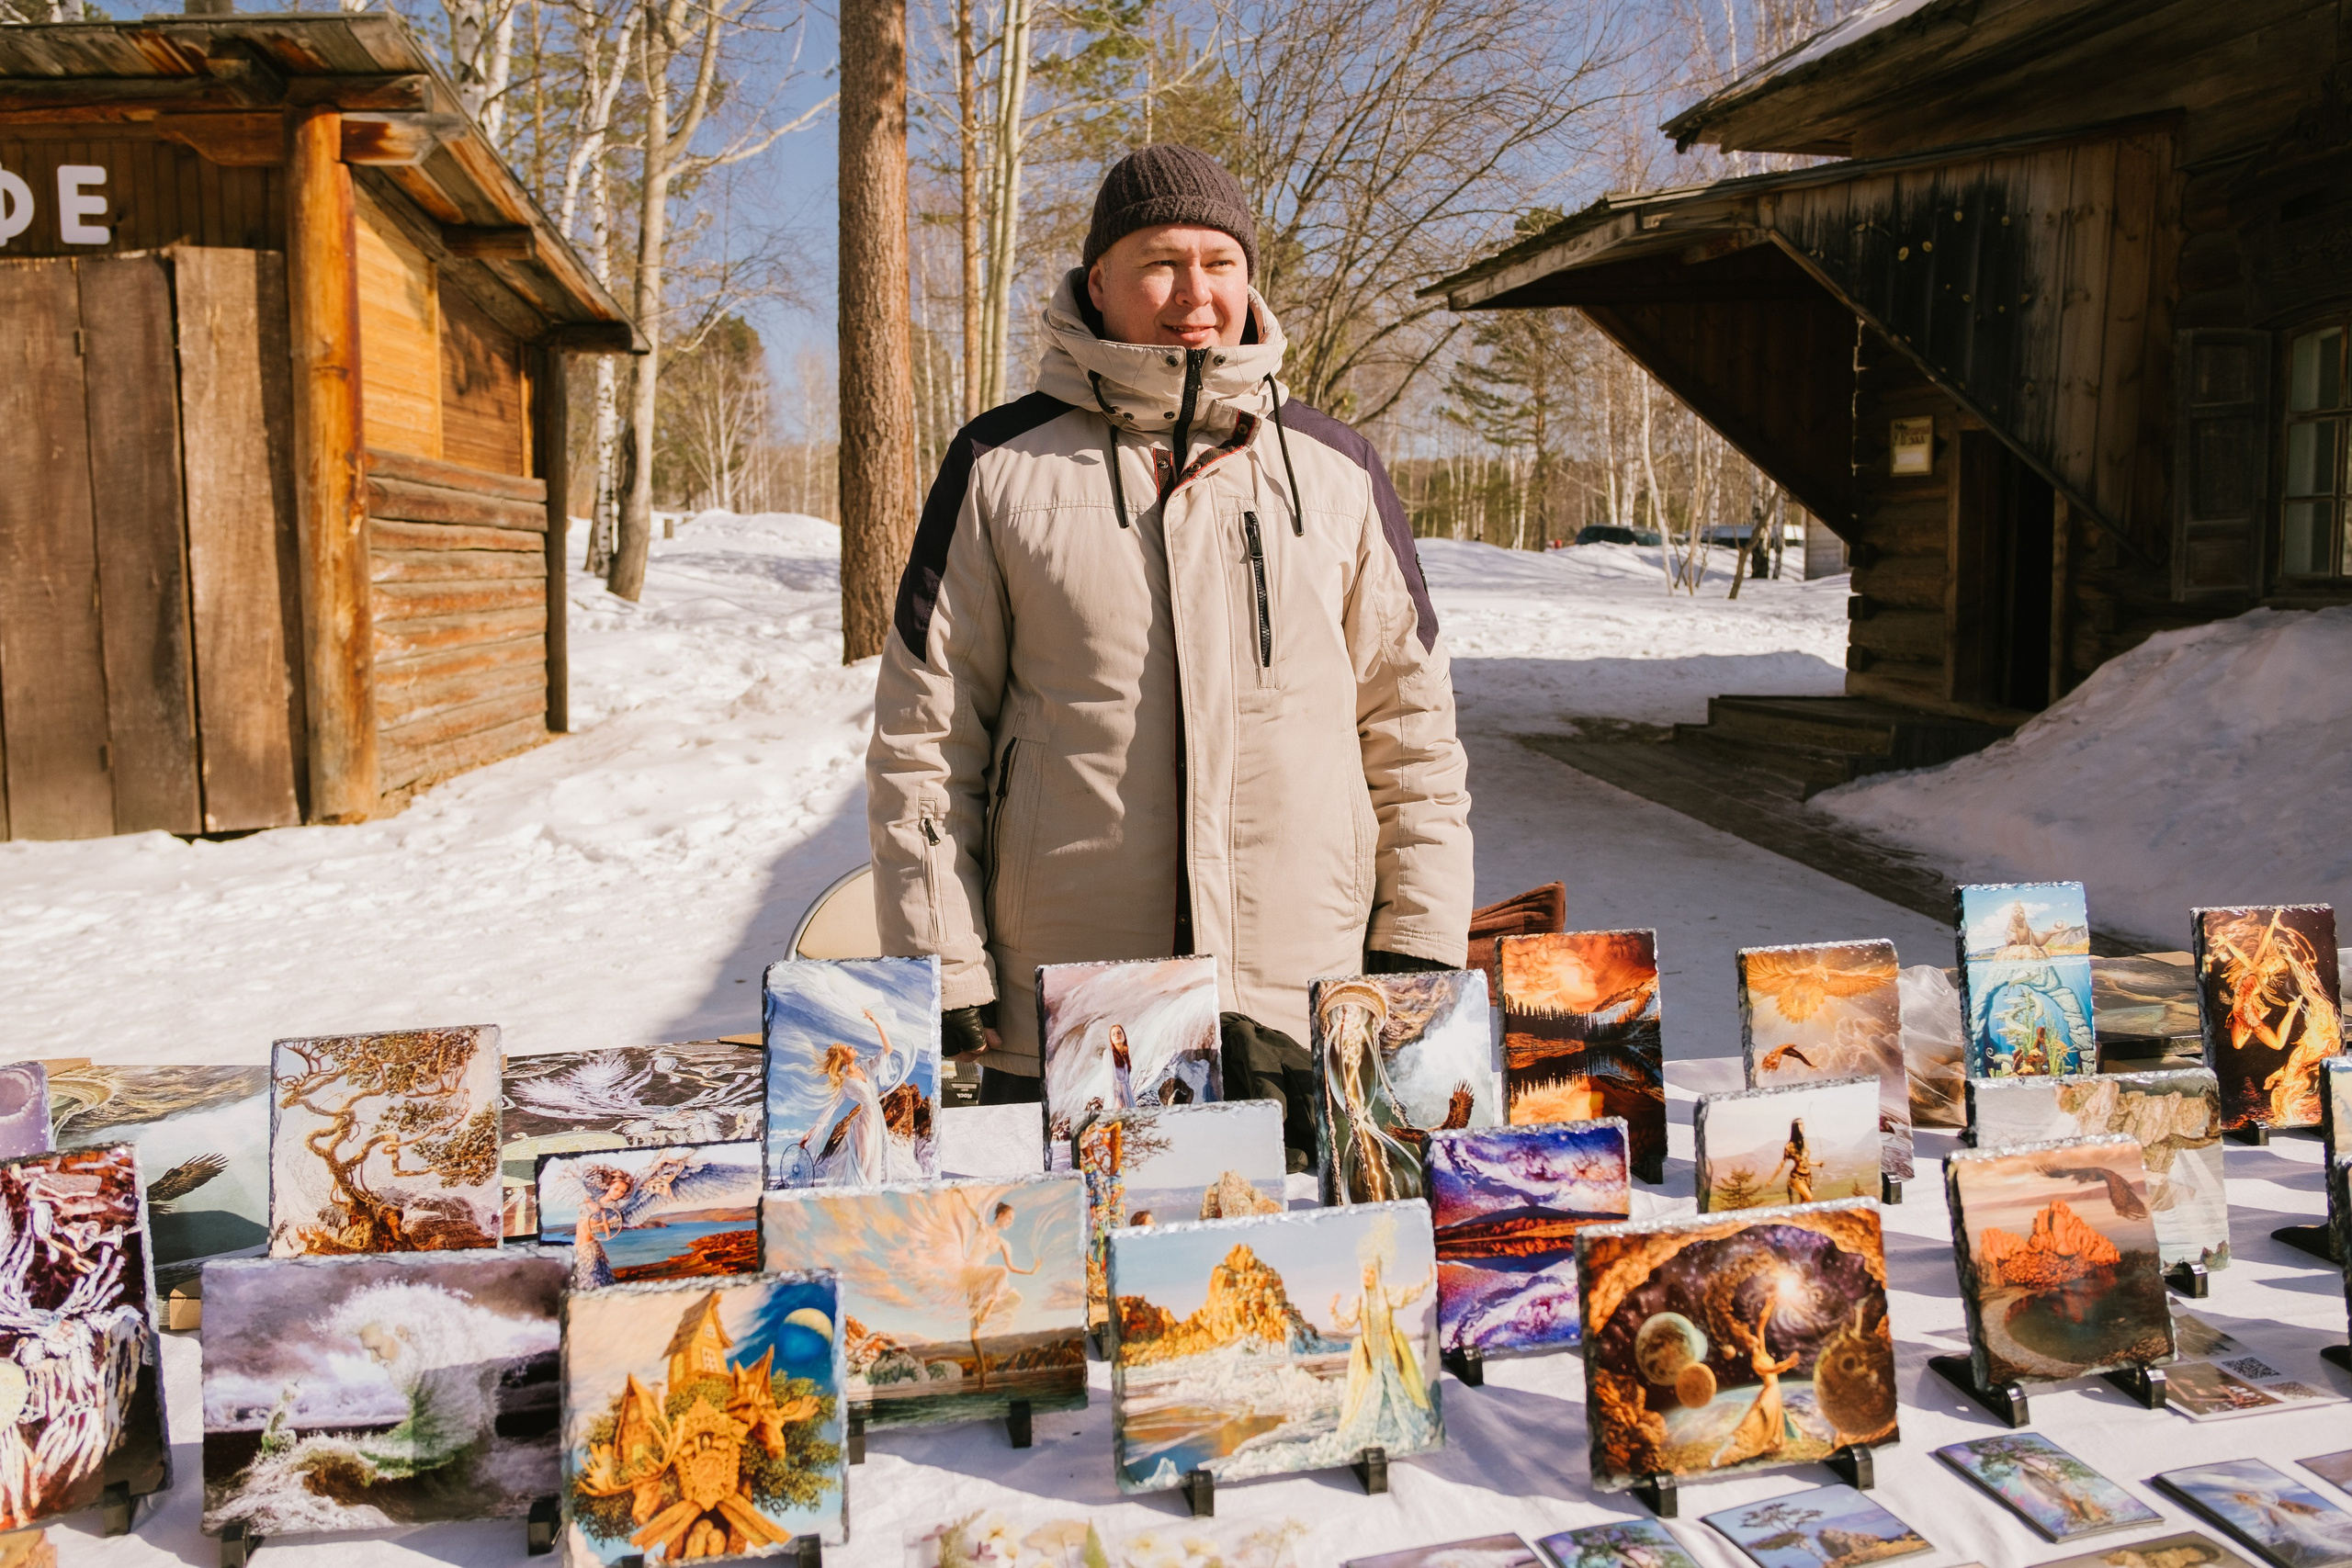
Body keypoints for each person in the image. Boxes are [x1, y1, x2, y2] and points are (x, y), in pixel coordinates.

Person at [866, 144, 1474, 1105]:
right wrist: (943, 958)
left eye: (1219, 262)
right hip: (1073, 1000)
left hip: (1303, 995)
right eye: (1159, 261)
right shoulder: (1000, 465)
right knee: (1085, 1258)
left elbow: (1411, 732)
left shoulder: (1335, 469)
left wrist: (1419, 938)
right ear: (1097, 282)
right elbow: (927, 740)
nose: (1194, 291)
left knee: (1305, 1256)